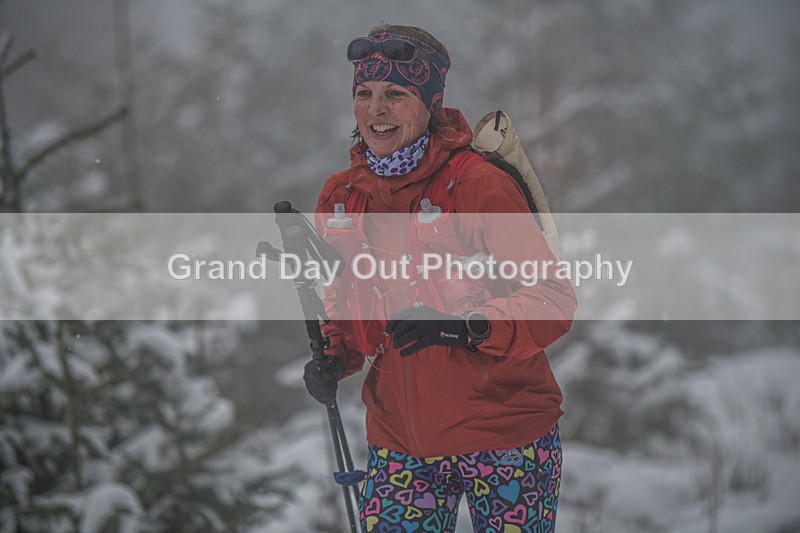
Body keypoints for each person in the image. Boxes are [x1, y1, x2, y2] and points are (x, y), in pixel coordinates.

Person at [304, 23, 577, 533]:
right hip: (400, 447)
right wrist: (335, 356)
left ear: (430, 102)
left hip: (505, 438)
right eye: (364, 93)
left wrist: (464, 325)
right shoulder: (342, 196)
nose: (375, 109)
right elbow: (347, 306)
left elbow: (552, 299)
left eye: (395, 94)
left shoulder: (477, 184)